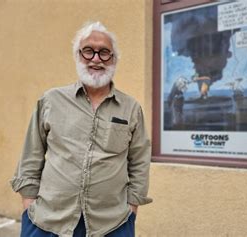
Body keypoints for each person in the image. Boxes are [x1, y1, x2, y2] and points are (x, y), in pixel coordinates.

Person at [10, 21, 153, 237]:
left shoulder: (130, 108)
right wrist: (28, 203)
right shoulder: (51, 100)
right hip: (48, 222)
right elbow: (32, 154)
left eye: (104, 52)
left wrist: (132, 208)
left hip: (112, 224)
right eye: (88, 51)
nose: (96, 59)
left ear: (114, 59)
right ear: (78, 56)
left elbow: (139, 160)